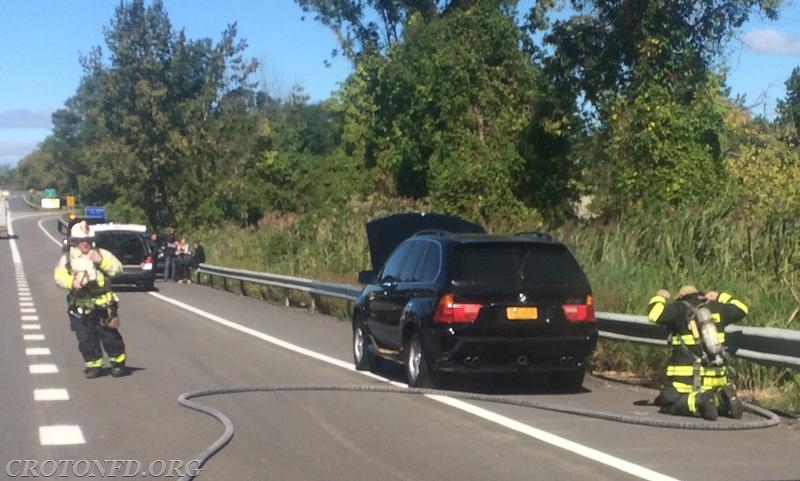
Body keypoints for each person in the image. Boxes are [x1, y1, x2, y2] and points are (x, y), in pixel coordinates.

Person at [647, 285, 749, 420]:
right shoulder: (718, 307)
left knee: (668, 401)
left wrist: (660, 297)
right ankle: (724, 399)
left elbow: (654, 314)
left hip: (689, 382)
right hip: (718, 380)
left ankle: (698, 401)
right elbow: (742, 308)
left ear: (681, 297)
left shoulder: (679, 308)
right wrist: (719, 296)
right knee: (711, 396)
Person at [54, 220, 128, 378]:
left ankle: (118, 363)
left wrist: (101, 261)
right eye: (82, 241)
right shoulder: (68, 259)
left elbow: (118, 269)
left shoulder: (102, 254)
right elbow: (59, 277)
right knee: (86, 339)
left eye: (87, 240)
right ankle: (93, 364)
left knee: (110, 337)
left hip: (103, 304)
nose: (85, 243)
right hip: (80, 306)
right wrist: (71, 283)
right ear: (75, 241)